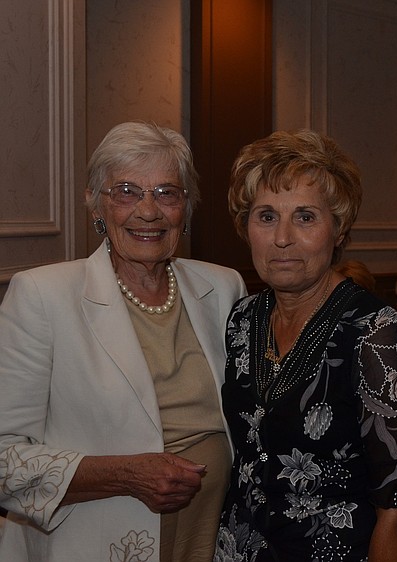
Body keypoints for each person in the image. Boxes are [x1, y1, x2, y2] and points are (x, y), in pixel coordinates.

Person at [0, 121, 247, 561]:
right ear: (96, 204)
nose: (148, 211)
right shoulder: (42, 295)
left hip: (211, 538)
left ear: (186, 207)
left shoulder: (223, 288)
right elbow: (3, 460)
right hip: (93, 544)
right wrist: (125, 474)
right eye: (127, 192)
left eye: (167, 193)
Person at [215, 130, 397, 561]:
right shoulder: (241, 319)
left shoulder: (372, 329)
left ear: (338, 229)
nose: (282, 237)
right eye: (266, 216)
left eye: (305, 217)